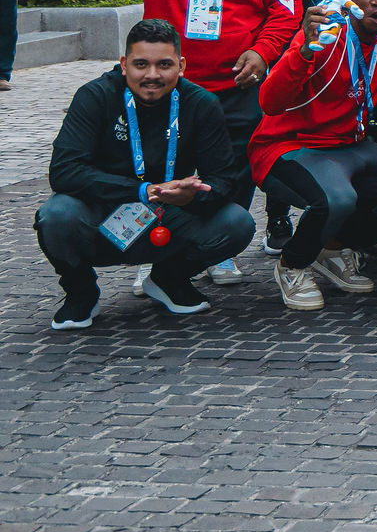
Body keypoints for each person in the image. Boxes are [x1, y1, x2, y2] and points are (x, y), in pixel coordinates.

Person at [85, 0, 299, 232]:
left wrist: (263, 51)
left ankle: (219, 239)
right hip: (166, 82)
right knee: (160, 163)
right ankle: (152, 239)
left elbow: (287, 8)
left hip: (236, 82)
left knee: (233, 166)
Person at [37, 19, 257, 328]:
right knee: (56, 215)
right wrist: (143, 191)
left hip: (168, 213)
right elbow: (64, 171)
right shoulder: (95, 96)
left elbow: (223, 179)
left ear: (181, 65)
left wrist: (192, 196)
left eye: (164, 64)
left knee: (237, 223)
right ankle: (80, 291)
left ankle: (169, 278)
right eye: (141, 64)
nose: (152, 75)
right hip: (102, 212)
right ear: (124, 64)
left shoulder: (200, 103)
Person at [249, 0, 377, 309]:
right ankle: (293, 263)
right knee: (339, 199)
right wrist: (302, 51)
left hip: (350, 146)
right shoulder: (325, 33)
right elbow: (269, 102)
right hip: (291, 147)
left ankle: (331, 248)